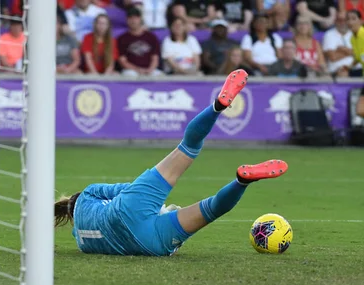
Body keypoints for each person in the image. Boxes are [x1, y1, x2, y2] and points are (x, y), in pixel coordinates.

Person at [54, 69, 289, 257]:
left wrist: (160, 211)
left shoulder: (81, 241)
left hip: (149, 244)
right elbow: (125, 189)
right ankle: (218, 105)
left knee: (213, 208)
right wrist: (152, 201)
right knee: (188, 147)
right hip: (126, 210)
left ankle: (242, 181)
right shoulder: (86, 195)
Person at [117, 7, 162, 76]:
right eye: (130, 18)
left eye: (135, 18)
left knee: (159, 75)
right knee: (130, 75)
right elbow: (123, 61)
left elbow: (155, 58)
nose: (133, 21)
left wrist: (150, 69)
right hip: (131, 70)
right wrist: (138, 70)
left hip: (150, 69)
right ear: (127, 20)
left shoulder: (151, 37)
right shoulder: (122, 38)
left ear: (140, 19)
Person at [323, 11, 360, 77]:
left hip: (357, 69)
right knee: (343, 73)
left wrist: (343, 49)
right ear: (335, 21)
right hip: (337, 70)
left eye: (345, 20)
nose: (342, 23)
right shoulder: (329, 34)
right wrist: (351, 52)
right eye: (339, 20)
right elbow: (333, 57)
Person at [347, 9, 364, 75]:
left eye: (353, 19)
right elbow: (358, 58)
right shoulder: (352, 39)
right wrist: (348, 67)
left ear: (361, 21)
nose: (350, 22)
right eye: (348, 19)